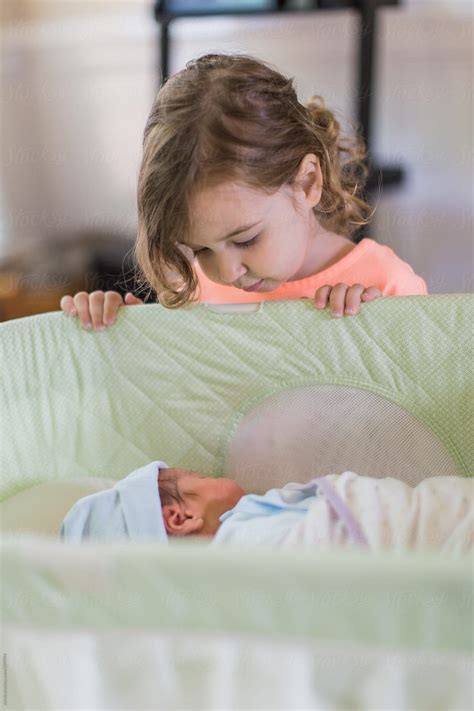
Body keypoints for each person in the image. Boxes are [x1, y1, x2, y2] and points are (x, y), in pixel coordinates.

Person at [59, 53, 427, 332]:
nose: (226, 270)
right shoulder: (193, 293)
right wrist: (121, 333)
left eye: (246, 239)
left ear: (308, 183)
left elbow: (429, 407)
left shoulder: (385, 284)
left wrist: (375, 333)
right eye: (201, 250)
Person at [59, 461, 473, 555]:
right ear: (181, 518)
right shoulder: (241, 540)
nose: (207, 471)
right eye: (195, 475)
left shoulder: (253, 521)